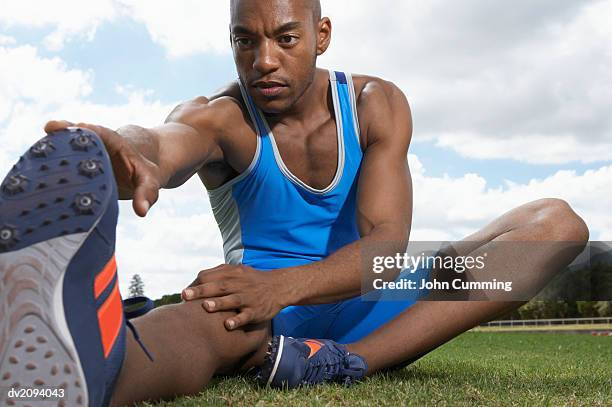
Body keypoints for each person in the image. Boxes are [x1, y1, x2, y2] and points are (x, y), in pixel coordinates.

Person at [0, 0, 589, 406]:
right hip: (263, 318)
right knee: (203, 325)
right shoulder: (223, 115)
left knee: (559, 224)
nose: (264, 61)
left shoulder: (374, 104)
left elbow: (385, 243)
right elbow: (166, 138)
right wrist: (124, 152)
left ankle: (348, 360)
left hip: (376, 298)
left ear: (321, 34)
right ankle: (73, 373)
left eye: (286, 38)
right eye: (244, 41)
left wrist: (283, 287)